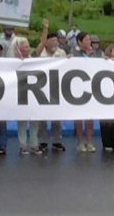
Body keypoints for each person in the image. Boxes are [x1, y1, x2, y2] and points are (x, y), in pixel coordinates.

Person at [34, 19, 66, 153]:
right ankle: (42, 140)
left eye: (56, 41)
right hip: (41, 88)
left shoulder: (61, 53)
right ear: (46, 42)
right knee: (42, 117)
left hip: (56, 88)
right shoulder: (40, 52)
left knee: (56, 117)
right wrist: (45, 29)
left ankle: (57, 140)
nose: (55, 43)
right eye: (52, 40)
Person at [12, 37, 41, 155]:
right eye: (25, 47)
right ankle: (23, 145)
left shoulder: (33, 60)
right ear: (18, 49)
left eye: (29, 46)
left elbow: (42, 43)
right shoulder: (12, 61)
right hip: (21, 93)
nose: (28, 49)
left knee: (35, 120)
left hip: (34, 93)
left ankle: (34, 144)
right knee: (22, 121)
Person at [70, 32, 98, 153]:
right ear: (80, 42)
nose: (89, 42)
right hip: (77, 89)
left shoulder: (94, 54)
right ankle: (80, 141)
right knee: (78, 117)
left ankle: (90, 142)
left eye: (89, 40)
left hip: (91, 88)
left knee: (89, 118)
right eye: (86, 40)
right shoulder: (74, 53)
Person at [100, 44, 114, 152]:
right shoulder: (104, 63)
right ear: (109, 54)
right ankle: (106, 142)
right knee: (106, 119)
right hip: (104, 93)